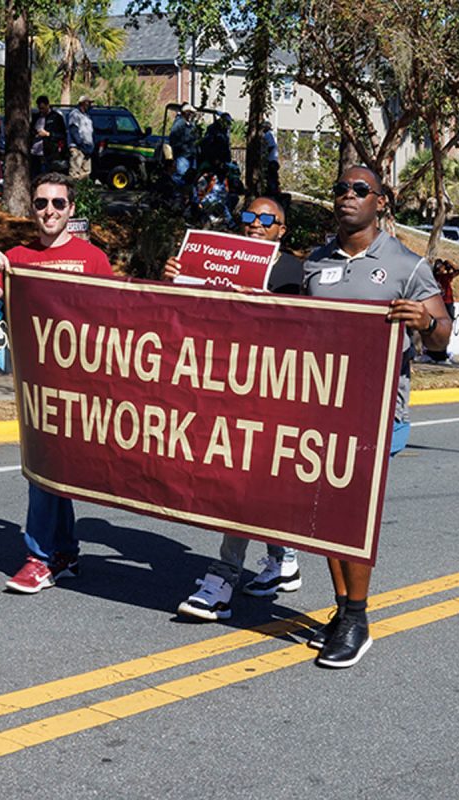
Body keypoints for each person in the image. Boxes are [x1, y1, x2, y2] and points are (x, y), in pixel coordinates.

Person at [301, 166, 450, 667]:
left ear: (381, 202)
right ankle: (343, 608)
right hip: (320, 405)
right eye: (340, 189)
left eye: (360, 190)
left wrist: (426, 321)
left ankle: (358, 617)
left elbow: (442, 336)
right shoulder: (314, 262)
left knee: (351, 512)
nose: (347, 196)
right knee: (323, 512)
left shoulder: (407, 265)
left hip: (376, 408)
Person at [162, 195, 306, 620]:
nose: (255, 224)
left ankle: (223, 577)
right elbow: (188, 316)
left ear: (282, 229)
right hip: (224, 388)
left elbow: (307, 326)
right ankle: (283, 558)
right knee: (252, 481)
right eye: (249, 216)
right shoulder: (217, 259)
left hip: (272, 391)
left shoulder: (294, 271)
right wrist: (176, 279)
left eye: (267, 219)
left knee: (240, 484)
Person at [0, 172, 113, 593]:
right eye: (40, 204)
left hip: (81, 382)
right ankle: (50, 554)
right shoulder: (15, 256)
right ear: (31, 208)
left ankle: (49, 554)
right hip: (37, 384)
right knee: (43, 468)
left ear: (71, 209)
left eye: (57, 204)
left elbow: (116, 319)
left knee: (57, 470)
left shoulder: (92, 258)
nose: (49, 211)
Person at [418, 258, 459, 364]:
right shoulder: (433, 277)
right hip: (437, 304)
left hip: (447, 303)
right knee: (434, 327)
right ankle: (431, 352)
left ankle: (442, 354)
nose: (440, 269)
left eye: (441, 267)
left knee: (446, 326)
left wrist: (450, 263)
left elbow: (457, 271)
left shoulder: (446, 277)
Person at [30, 95, 67, 175]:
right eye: (39, 108)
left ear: (48, 105)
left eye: (43, 108)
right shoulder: (35, 117)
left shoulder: (56, 117)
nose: (41, 110)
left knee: (47, 175)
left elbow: (62, 135)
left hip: (49, 153)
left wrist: (47, 134)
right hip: (35, 152)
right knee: (35, 175)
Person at [169, 104, 199, 185]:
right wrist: (182, 148)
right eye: (190, 112)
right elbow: (173, 139)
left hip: (191, 155)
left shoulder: (192, 125)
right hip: (182, 155)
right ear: (185, 113)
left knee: (191, 176)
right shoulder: (179, 123)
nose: (191, 115)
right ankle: (177, 191)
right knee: (181, 175)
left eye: (192, 113)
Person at [66, 96, 94, 182]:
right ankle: (74, 193)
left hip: (87, 148)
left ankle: (83, 193)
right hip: (77, 148)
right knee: (75, 173)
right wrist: (81, 144)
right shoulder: (75, 114)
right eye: (88, 103)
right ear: (82, 103)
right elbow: (74, 130)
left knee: (85, 172)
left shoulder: (87, 116)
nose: (90, 105)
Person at [261, 121, 280, 196]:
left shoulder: (268, 135)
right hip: (272, 160)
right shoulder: (267, 135)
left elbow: (271, 146)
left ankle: (273, 192)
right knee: (270, 177)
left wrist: (265, 155)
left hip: (271, 161)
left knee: (271, 178)